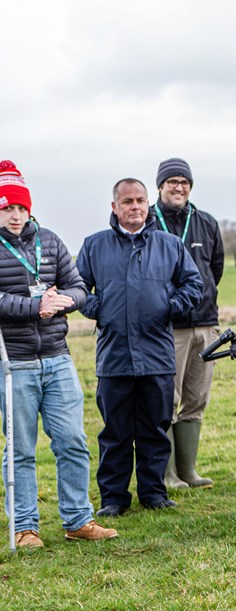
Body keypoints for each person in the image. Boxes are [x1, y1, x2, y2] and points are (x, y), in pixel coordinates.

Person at [0, 160, 117, 546]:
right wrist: (36, 307)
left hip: (56, 357)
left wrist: (65, 300)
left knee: (72, 441)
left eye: (20, 208)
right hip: (13, 363)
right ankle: (25, 526)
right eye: (6, 208)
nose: (15, 215)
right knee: (20, 449)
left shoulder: (49, 241)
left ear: (29, 208)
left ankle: (77, 520)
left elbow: (80, 287)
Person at [76, 178, 204, 517]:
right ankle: (114, 498)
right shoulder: (94, 246)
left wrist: (171, 305)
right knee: (115, 432)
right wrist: (99, 309)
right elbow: (78, 289)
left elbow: (194, 283)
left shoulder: (170, 245)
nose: (135, 207)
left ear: (148, 204)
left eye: (141, 201)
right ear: (114, 206)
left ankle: (153, 492)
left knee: (155, 428)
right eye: (128, 201)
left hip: (157, 355)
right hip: (114, 356)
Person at [151, 157, 225, 490]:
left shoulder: (207, 222)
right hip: (168, 327)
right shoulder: (149, 222)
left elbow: (216, 269)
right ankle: (165, 474)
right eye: (172, 181)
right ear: (160, 186)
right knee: (168, 397)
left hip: (205, 325)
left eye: (184, 181)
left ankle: (188, 470)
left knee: (196, 398)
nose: (178, 187)